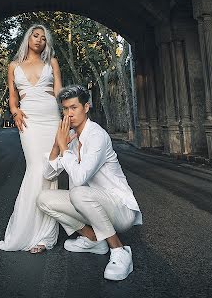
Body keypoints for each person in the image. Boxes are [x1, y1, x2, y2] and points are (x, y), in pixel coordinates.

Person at [37, 85, 142, 281]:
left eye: (74, 108)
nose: (69, 114)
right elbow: (49, 173)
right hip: (91, 205)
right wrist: (56, 145)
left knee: (78, 192)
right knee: (44, 199)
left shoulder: (97, 136)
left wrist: (63, 147)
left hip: (120, 209)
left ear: (86, 107)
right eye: (65, 109)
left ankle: (119, 250)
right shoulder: (72, 138)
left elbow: (79, 178)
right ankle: (93, 239)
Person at [0, 24, 63, 254]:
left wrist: (69, 118)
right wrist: (15, 112)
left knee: (50, 171)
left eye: (43, 37)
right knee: (34, 169)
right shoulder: (13, 66)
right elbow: (13, 98)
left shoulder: (52, 62)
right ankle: (23, 231)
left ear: (46, 43)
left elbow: (60, 94)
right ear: (28, 38)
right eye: (35, 35)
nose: (39, 39)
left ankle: (45, 236)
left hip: (51, 118)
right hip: (29, 121)